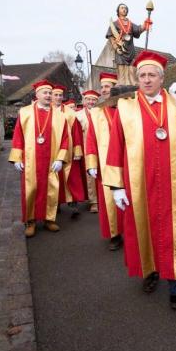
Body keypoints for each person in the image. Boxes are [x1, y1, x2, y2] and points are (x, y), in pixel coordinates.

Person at [104, 51, 176, 309]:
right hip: (140, 181)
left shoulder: (175, 102)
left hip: (173, 180)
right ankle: (150, 272)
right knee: (144, 227)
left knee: (174, 231)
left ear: (162, 77)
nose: (146, 80)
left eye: (152, 75)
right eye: (142, 75)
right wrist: (116, 185)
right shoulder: (126, 106)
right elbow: (116, 146)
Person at [9, 80, 69, 237]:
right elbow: (18, 136)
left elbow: (64, 138)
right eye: (45, 93)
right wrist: (17, 158)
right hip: (31, 159)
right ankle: (31, 221)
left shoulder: (59, 116)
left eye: (50, 93)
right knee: (31, 190)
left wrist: (60, 159)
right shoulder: (25, 112)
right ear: (37, 95)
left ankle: (49, 219)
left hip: (51, 159)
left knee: (51, 189)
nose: (49, 96)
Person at [85, 76, 124, 251]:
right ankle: (115, 235)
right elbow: (91, 138)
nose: (104, 90)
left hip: (129, 161)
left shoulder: (127, 108)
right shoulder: (97, 112)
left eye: (108, 86)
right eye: (102, 87)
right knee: (110, 200)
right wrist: (92, 162)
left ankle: (134, 234)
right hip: (106, 163)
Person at [51, 84, 86, 216]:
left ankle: (73, 205)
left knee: (72, 178)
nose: (58, 97)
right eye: (56, 95)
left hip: (69, 151)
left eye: (60, 95)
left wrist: (77, 151)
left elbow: (76, 132)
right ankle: (55, 204)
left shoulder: (70, 113)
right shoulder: (47, 112)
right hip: (53, 151)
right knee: (54, 178)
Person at [105, 3, 152, 85]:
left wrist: (145, 25)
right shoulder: (115, 24)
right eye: (122, 8)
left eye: (125, 8)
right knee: (121, 65)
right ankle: (122, 83)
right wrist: (116, 48)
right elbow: (111, 37)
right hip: (121, 48)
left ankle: (132, 82)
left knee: (132, 65)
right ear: (118, 11)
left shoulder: (130, 23)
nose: (124, 9)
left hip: (130, 48)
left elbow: (137, 30)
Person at [76, 89, 100, 213]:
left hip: (101, 147)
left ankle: (104, 199)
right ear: (84, 100)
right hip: (86, 149)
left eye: (94, 100)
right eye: (88, 99)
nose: (91, 102)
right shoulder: (78, 115)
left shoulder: (101, 112)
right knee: (90, 176)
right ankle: (93, 201)